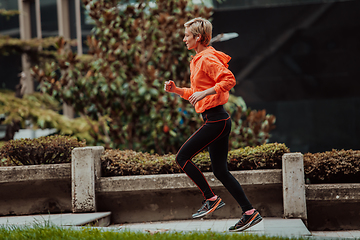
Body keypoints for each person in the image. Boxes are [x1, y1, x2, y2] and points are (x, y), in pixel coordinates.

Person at [164, 17, 262, 232]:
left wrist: (205, 92)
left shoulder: (206, 58)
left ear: (198, 37)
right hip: (216, 120)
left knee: (181, 157)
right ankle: (249, 213)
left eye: (187, 36)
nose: (184, 39)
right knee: (220, 171)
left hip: (217, 120)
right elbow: (195, 94)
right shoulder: (199, 59)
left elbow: (228, 80)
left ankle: (211, 198)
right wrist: (177, 90)